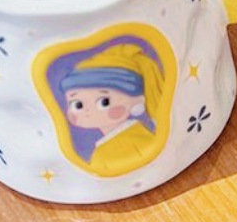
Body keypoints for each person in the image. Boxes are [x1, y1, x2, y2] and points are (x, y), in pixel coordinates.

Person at [59, 43, 164, 175]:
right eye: (77, 104)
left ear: (137, 100)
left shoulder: (132, 140)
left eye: (104, 102)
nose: (87, 111)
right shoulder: (103, 149)